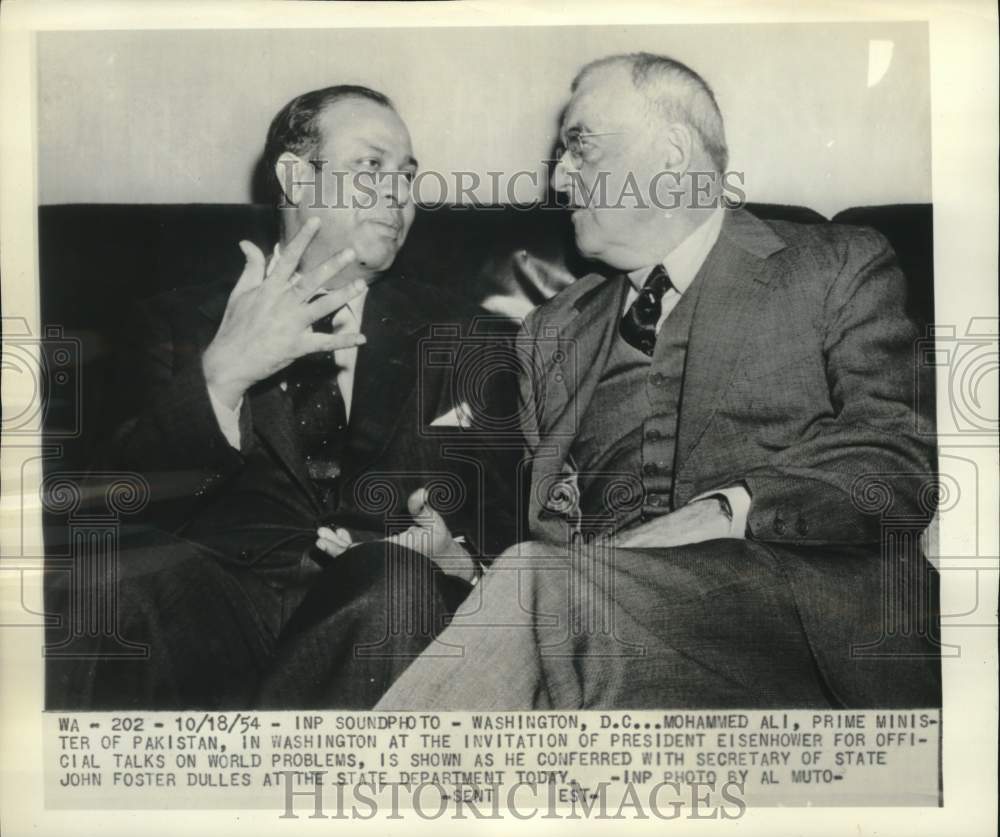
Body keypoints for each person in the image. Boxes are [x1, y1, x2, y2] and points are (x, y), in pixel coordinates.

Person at [376, 53, 940, 710]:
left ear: (671, 151)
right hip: (615, 642)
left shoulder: (836, 265)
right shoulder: (551, 330)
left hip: (801, 632)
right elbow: (552, 543)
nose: (559, 178)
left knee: (532, 588)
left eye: (578, 146)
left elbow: (896, 453)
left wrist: (719, 513)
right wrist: (467, 566)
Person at [47, 85, 518, 709]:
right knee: (108, 585)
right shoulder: (176, 324)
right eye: (370, 168)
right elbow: (99, 505)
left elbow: (514, 514)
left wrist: (458, 558)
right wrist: (221, 377)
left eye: (407, 177)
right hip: (207, 622)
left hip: (376, 624)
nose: (398, 196)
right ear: (296, 178)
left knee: (399, 585)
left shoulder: (468, 337)